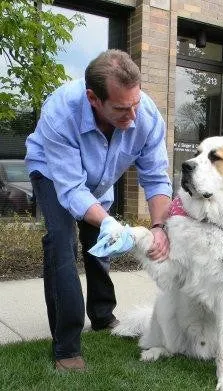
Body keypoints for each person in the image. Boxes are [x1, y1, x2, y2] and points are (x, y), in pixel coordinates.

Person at [25, 49, 172, 371]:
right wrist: (109, 221)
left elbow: (156, 178)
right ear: (94, 98)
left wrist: (160, 226)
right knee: (61, 242)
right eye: (121, 109)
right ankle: (66, 347)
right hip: (53, 173)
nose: (132, 117)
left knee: (99, 243)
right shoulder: (59, 113)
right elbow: (72, 189)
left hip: (100, 177)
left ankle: (103, 315)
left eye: (135, 105)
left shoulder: (144, 115)